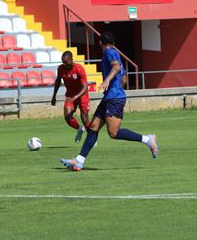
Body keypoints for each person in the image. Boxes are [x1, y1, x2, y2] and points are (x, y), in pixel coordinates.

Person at [60, 32, 158, 171]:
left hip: (114, 98)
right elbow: (123, 78)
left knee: (113, 133)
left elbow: (116, 67)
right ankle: (79, 161)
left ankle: (148, 140)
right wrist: (115, 89)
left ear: (101, 43)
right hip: (110, 97)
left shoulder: (108, 52)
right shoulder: (115, 52)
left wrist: (107, 81)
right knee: (93, 127)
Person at [51, 51, 90, 142]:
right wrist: (54, 96)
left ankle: (91, 137)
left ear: (71, 59)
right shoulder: (61, 68)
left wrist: (75, 97)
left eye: (66, 61)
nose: (64, 64)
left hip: (82, 95)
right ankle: (79, 128)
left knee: (84, 118)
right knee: (67, 117)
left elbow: (85, 88)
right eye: (62, 61)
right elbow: (58, 81)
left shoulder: (79, 69)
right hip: (70, 95)